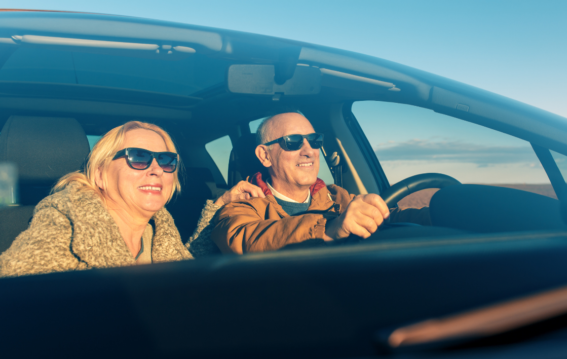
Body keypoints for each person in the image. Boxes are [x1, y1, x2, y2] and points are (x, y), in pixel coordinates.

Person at [0, 121, 263, 277]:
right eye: (137, 157)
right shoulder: (64, 221)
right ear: (100, 174)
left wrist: (220, 206)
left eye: (166, 159)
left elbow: (183, 269)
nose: (156, 168)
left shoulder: (159, 227)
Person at [211, 113, 430, 254]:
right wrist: (328, 230)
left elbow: (390, 217)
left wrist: (441, 212)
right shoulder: (241, 205)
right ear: (265, 156)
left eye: (314, 141)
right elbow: (244, 240)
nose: (309, 151)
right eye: (293, 142)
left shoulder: (336, 197)